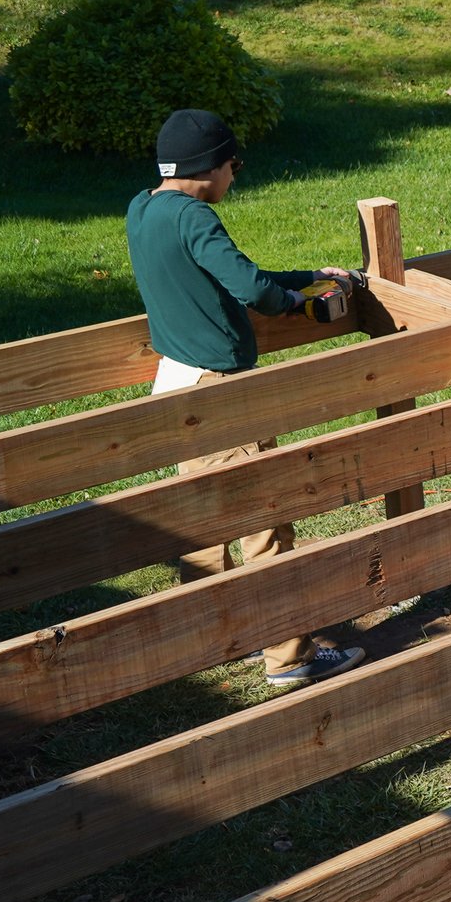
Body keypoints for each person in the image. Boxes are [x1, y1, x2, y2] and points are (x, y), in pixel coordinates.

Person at [127, 108, 368, 688]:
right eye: (234, 164)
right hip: (221, 393)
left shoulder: (143, 209)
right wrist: (298, 301)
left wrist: (306, 274)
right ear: (209, 166)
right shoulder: (195, 217)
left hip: (176, 384)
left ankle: (209, 639)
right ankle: (290, 658)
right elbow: (253, 290)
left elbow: (233, 276)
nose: (235, 176)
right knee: (266, 523)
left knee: (203, 521)